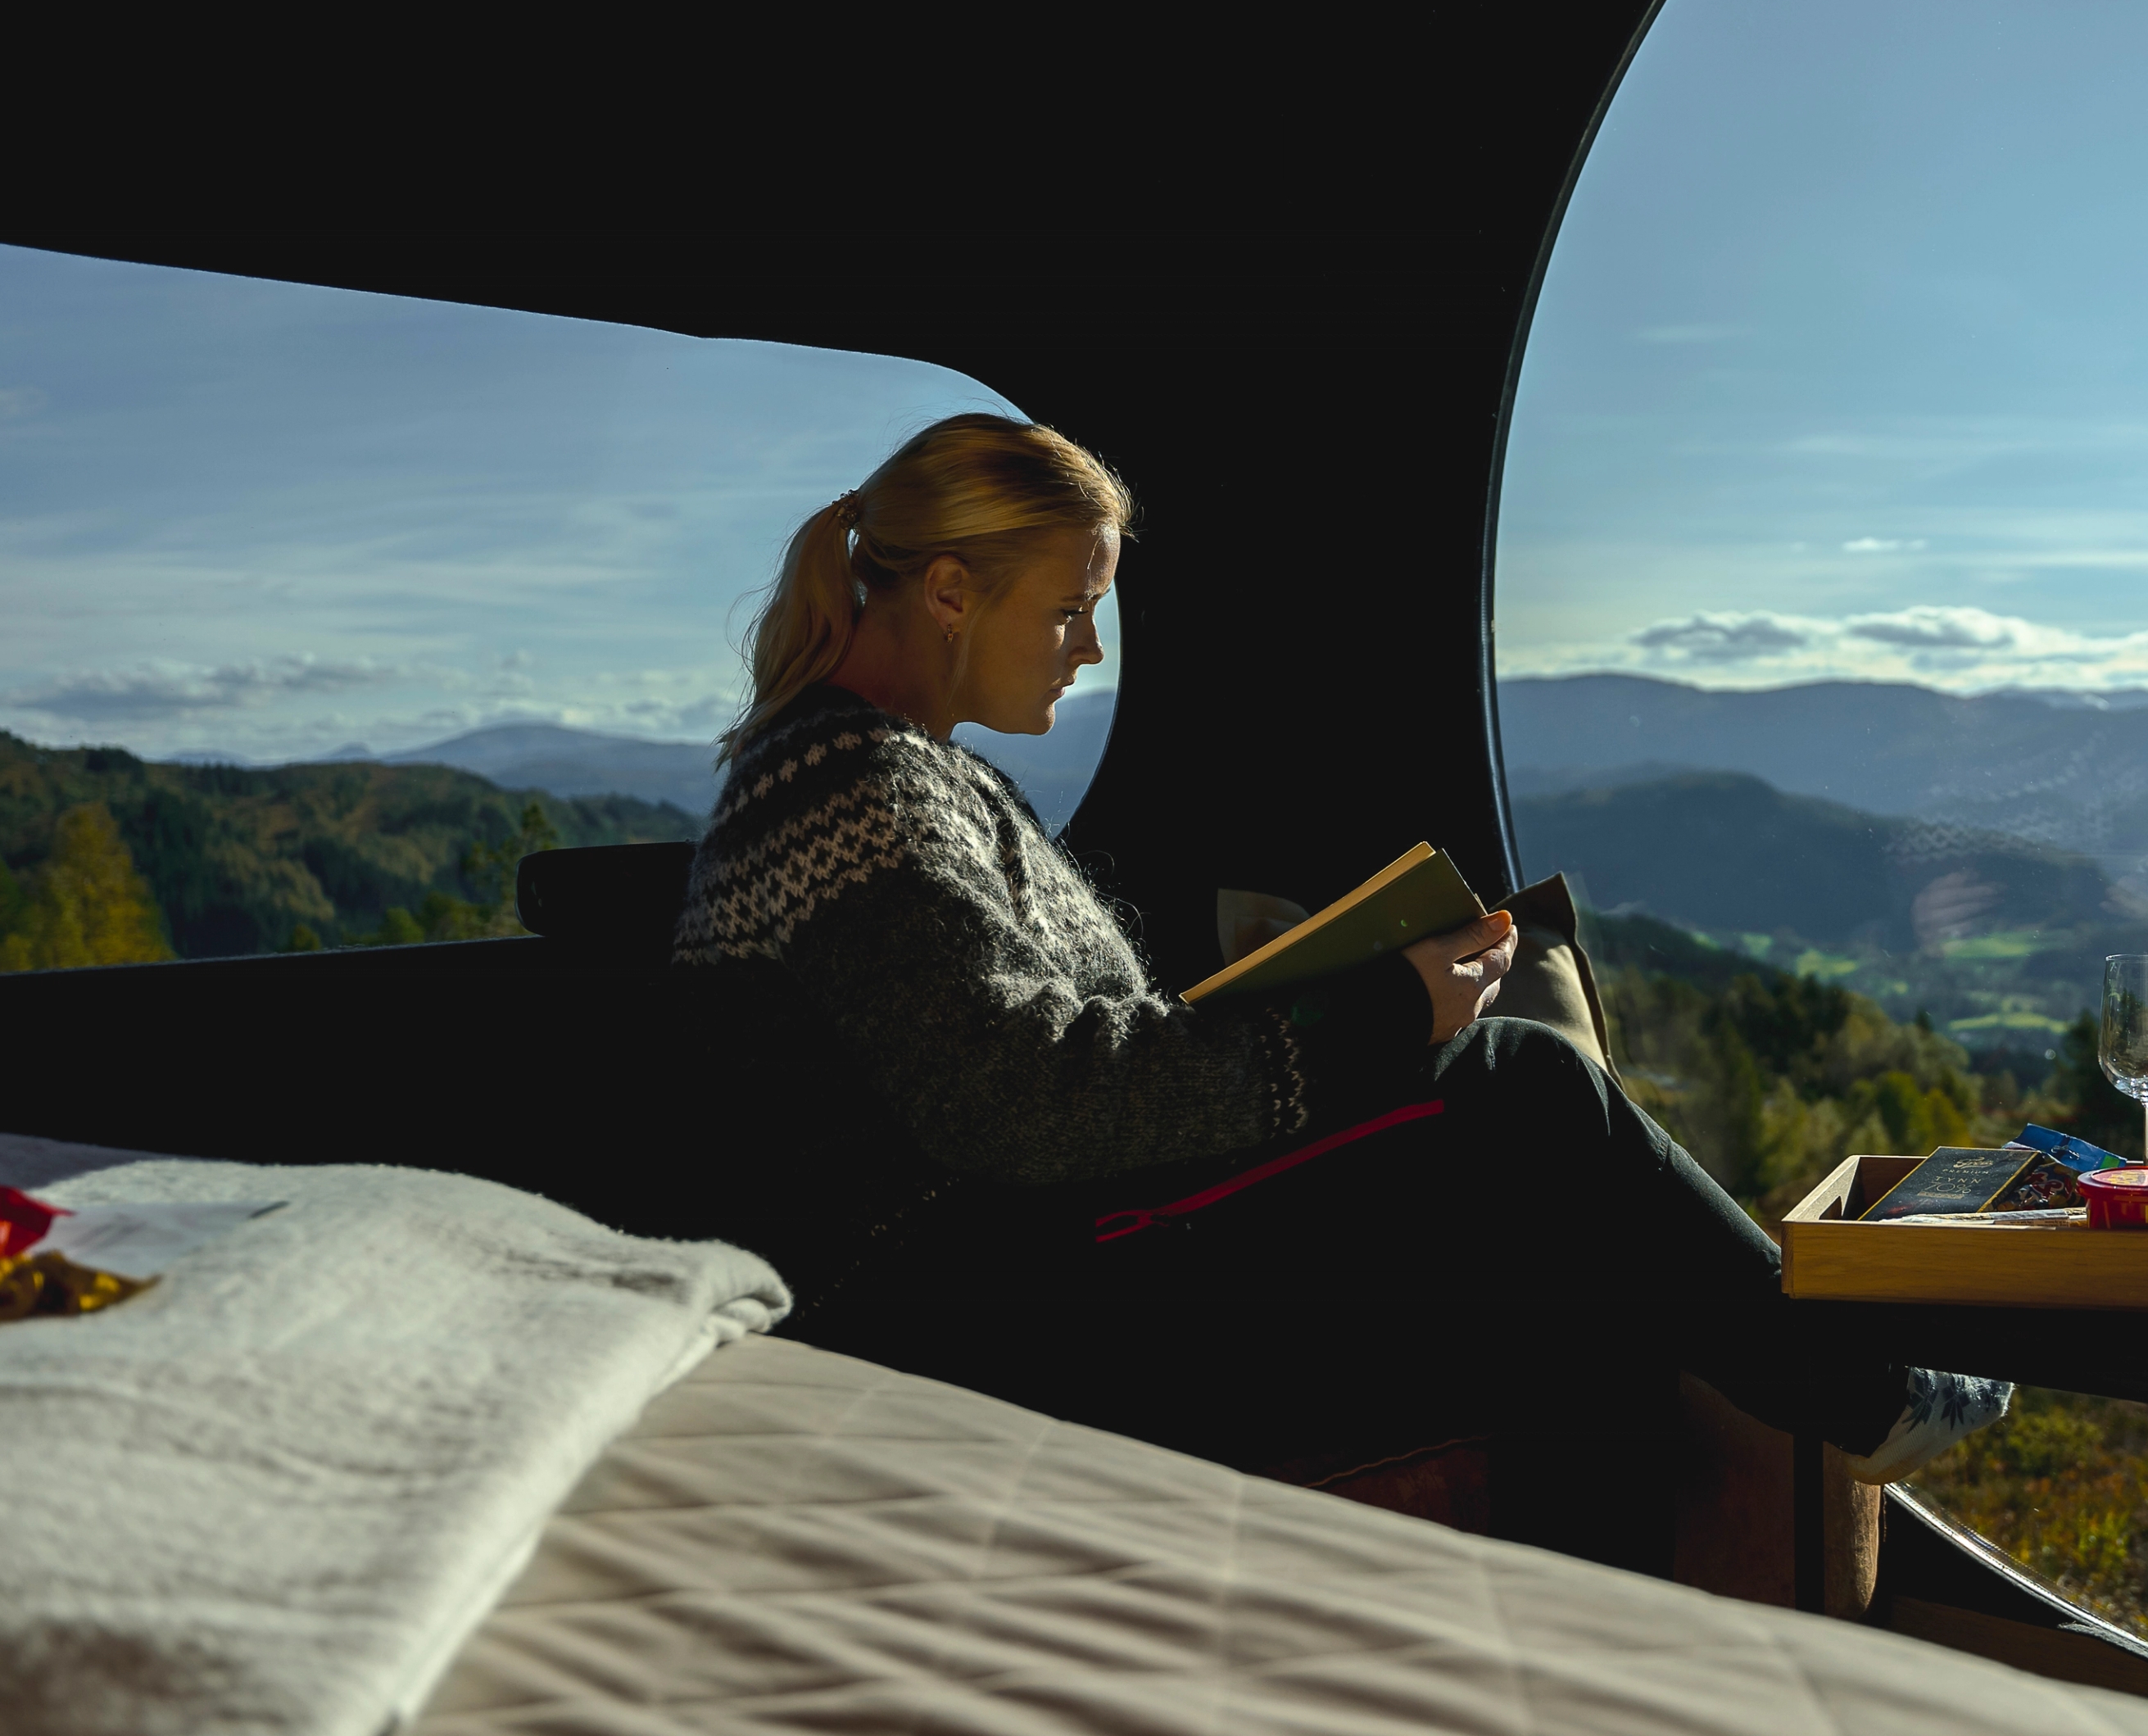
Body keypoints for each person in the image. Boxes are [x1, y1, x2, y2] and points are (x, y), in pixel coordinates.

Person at [673, 414, 2003, 1566]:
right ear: (952, 592)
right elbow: (1019, 1101)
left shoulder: (902, 776)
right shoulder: (857, 795)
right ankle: (1862, 1395)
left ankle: (1800, 1390)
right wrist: (1381, 1017)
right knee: (1521, 1081)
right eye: (1069, 605)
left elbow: (1035, 1057)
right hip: (975, 1292)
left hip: (1031, 1235)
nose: (1087, 647)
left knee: (1512, 1139)